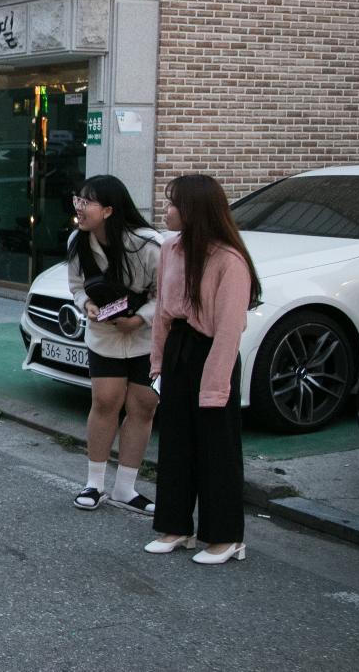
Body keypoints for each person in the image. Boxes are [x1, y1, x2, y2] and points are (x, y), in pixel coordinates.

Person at [146, 174, 260, 565]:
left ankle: (226, 537)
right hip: (179, 348)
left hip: (213, 352)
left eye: (174, 203)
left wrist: (214, 386)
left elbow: (229, 329)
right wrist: (157, 363)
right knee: (176, 442)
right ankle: (176, 527)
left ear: (195, 210)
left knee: (216, 447)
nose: (167, 210)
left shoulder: (230, 259)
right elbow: (163, 312)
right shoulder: (170, 248)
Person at [67, 175, 163, 515]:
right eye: (77, 200)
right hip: (104, 337)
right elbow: (77, 286)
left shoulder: (148, 245)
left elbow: (165, 294)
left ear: (108, 210)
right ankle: (94, 483)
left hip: (146, 339)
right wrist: (86, 306)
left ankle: (126, 488)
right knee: (105, 401)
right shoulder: (77, 242)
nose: (79, 208)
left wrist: (141, 319)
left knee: (143, 406)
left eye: (86, 202)